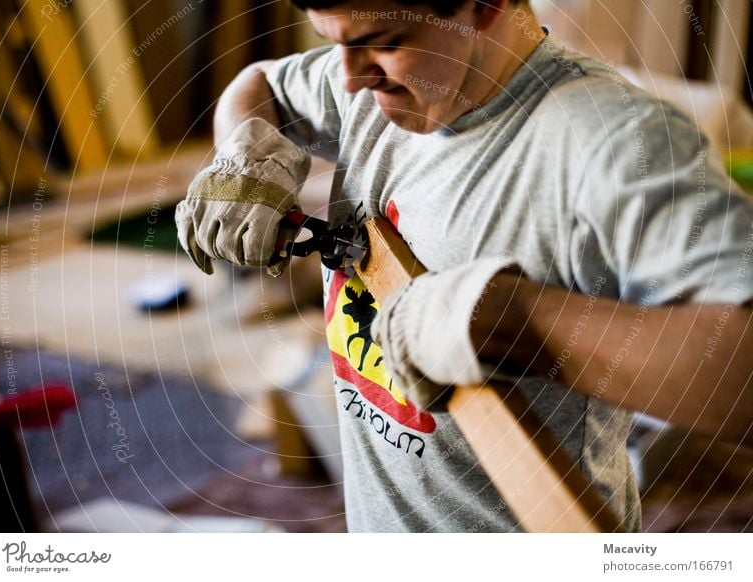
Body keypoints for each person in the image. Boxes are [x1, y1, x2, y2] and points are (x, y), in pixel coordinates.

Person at [175, 0, 753, 532]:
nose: (349, 77)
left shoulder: (613, 142)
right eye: (334, 41)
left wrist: (514, 319)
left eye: (384, 40)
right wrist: (244, 154)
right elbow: (262, 85)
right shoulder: (358, 82)